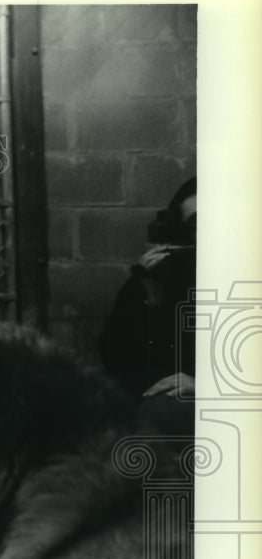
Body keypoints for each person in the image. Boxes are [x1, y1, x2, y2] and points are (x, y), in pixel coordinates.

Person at [99, 177, 196, 432]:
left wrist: (207, 385)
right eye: (196, 224)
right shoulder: (165, 274)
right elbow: (116, 358)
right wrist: (147, 294)